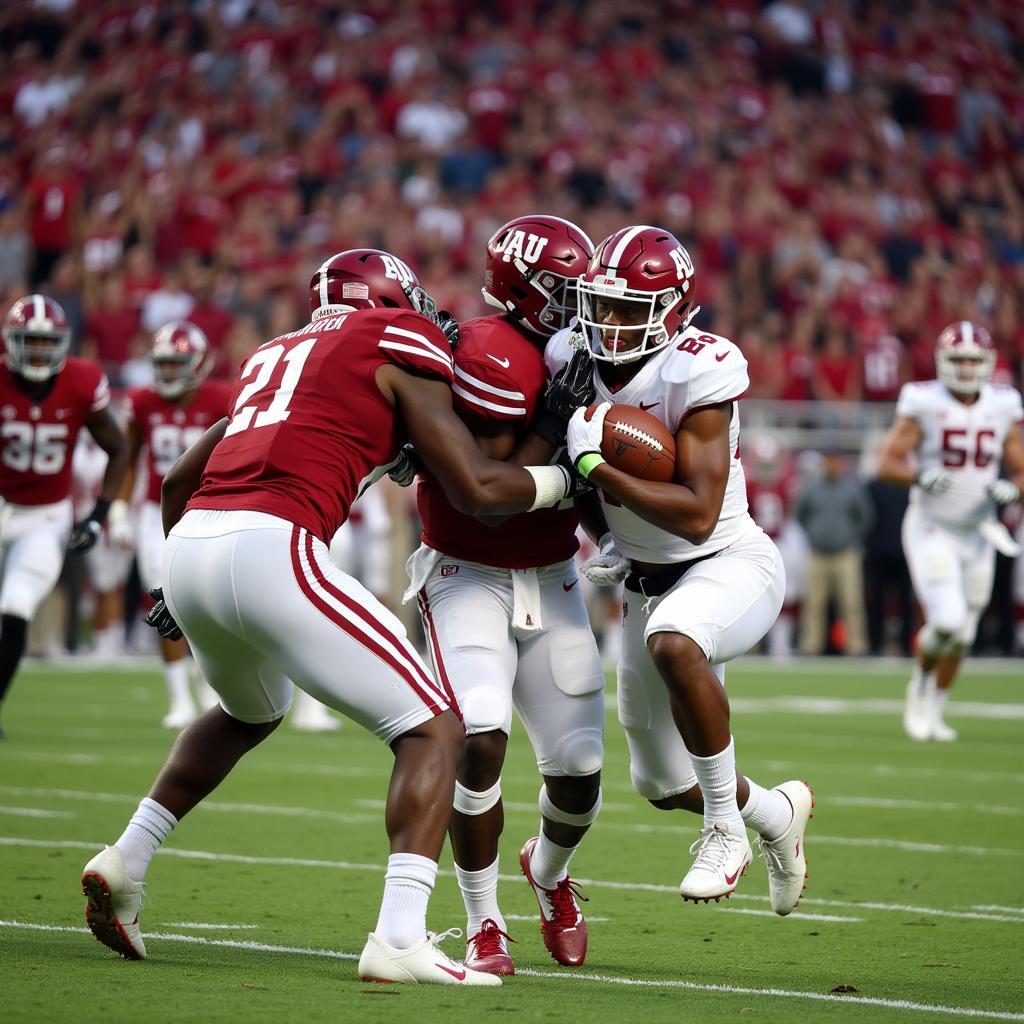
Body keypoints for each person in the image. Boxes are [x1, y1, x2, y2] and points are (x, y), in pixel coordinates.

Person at [79, 248, 581, 987]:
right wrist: (564, 476)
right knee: (435, 728)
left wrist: (170, 585)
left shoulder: (274, 353)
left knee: (249, 711)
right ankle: (399, 936)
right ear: (390, 304)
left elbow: (182, 478)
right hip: (272, 543)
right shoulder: (393, 341)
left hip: (192, 544)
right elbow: (474, 489)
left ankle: (126, 858)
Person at [552, 225, 812, 911]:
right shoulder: (571, 356)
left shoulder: (700, 365)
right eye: (600, 304)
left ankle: (725, 829)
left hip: (728, 563)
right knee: (661, 785)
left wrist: (595, 464)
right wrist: (604, 531)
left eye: (626, 308)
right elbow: (583, 479)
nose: (607, 321)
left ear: (673, 308)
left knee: (675, 641)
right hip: (647, 584)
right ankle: (776, 815)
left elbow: (697, 512)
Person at [400, 214, 602, 974]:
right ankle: (484, 922)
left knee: (580, 773)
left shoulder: (582, 348)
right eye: (563, 290)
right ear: (522, 286)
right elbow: (492, 489)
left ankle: (548, 874)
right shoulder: (489, 352)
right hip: (467, 572)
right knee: (479, 736)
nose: (578, 306)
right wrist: (554, 424)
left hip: (553, 578)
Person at [878, 321, 1024, 741]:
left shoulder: (1003, 405)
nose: (964, 368)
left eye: (972, 360)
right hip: (932, 525)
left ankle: (935, 710)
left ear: (988, 363)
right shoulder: (923, 401)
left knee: (965, 636)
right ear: (942, 362)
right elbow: (886, 463)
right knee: (947, 621)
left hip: (980, 530)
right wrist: (919, 476)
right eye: (957, 359)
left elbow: (1020, 469)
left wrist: (1012, 488)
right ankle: (918, 687)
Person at [0, 294, 127, 736]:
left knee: (16, 604)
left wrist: (99, 514)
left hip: (45, 515)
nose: (37, 351)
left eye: (45, 342)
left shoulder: (82, 380)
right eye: (29, 341)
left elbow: (118, 448)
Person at [109, 321, 233, 727]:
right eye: (162, 364)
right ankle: (179, 697)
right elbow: (126, 456)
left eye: (177, 363)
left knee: (210, 602)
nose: (167, 372)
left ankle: (209, 680)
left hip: (209, 508)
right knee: (161, 595)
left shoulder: (221, 397)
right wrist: (118, 509)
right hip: (155, 511)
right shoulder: (142, 401)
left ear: (199, 363)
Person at [793, 447, 873, 656]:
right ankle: (811, 646)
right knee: (813, 602)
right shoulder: (812, 487)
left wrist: (849, 536)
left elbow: (865, 517)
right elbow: (800, 513)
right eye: (829, 461)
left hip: (845, 554)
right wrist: (813, 534)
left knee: (851, 602)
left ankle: (856, 646)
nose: (832, 465)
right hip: (817, 553)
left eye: (836, 461)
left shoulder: (851, 487)